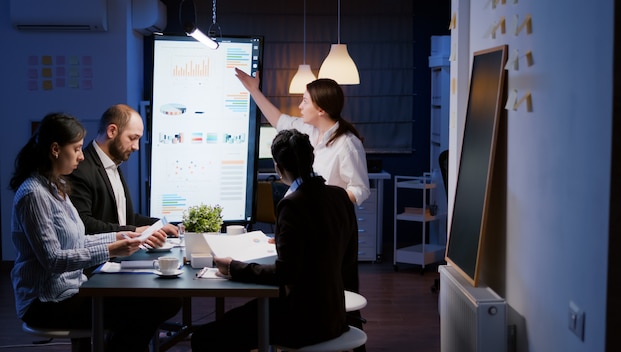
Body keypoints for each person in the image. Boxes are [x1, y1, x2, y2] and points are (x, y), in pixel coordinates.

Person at [9, 112, 182, 352]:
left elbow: (78, 240)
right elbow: (53, 260)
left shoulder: (54, 186)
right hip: (46, 303)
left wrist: (120, 236)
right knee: (154, 305)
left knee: (161, 302)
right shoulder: (33, 194)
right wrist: (111, 248)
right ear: (56, 149)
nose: (81, 156)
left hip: (71, 290)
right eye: (77, 149)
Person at [191, 129, 360, 350]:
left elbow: (285, 273)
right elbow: (340, 254)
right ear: (311, 159)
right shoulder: (340, 196)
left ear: (278, 168)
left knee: (204, 338)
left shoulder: (292, 204)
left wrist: (234, 267)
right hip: (334, 315)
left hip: (302, 321)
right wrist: (285, 242)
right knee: (236, 321)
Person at [235, 67, 370, 206]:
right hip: (304, 213)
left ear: (321, 110)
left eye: (305, 101)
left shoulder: (347, 144)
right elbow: (279, 121)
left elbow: (360, 189)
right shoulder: (307, 130)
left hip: (328, 219)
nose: (300, 106)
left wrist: (326, 199)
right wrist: (254, 91)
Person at [67, 104, 178, 237]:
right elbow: (83, 223)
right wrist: (134, 231)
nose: (136, 147)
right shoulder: (80, 169)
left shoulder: (113, 164)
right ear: (112, 131)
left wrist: (160, 225)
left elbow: (125, 219)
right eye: (132, 138)